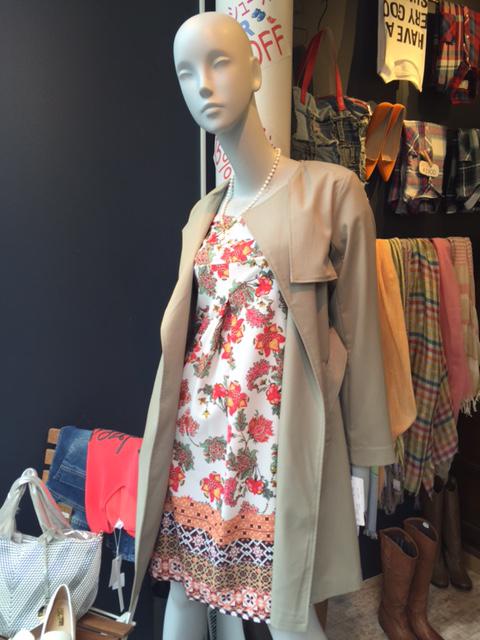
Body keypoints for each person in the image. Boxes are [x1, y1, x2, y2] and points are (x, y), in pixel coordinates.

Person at [129, 11, 395, 639]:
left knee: (290, 616)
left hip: (275, 450)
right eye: (185, 72)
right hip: (198, 447)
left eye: (219, 62)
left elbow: (361, 336)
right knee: (185, 597)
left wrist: (366, 458)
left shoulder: (331, 193)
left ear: (255, 70)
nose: (203, 84)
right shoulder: (203, 216)